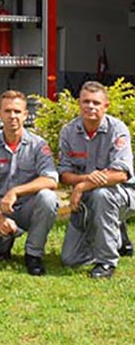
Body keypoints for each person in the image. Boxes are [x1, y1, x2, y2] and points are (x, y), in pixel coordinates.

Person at [0, 90, 59, 275]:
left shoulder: (38, 145)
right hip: (0, 209)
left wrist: (16, 191)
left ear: (25, 114)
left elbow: (50, 179)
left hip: (27, 209)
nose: (12, 116)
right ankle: (3, 243)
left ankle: (33, 254)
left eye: (17, 112)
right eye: (7, 111)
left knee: (48, 198)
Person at [59, 81, 135, 279]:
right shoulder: (68, 132)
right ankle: (117, 236)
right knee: (70, 259)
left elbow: (121, 174)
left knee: (102, 195)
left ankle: (106, 262)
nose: (90, 107)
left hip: (121, 194)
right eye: (86, 102)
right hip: (87, 199)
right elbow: (65, 175)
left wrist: (82, 185)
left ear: (105, 106)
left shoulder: (117, 130)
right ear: (79, 103)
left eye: (96, 103)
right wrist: (86, 179)